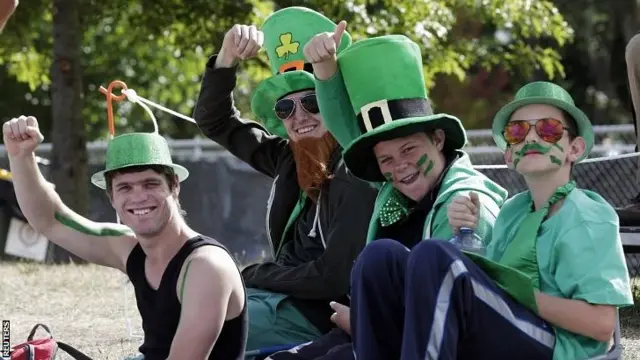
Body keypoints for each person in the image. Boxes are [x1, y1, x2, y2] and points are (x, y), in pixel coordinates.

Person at [350, 80, 635, 360]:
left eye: (549, 129)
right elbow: (492, 290)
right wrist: (467, 237)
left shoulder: (586, 214)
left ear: (575, 148)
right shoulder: (512, 211)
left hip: (559, 348)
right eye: (517, 131)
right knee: (380, 256)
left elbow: (601, 325)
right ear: (509, 154)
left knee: (434, 256)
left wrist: (524, 295)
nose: (532, 138)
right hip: (512, 331)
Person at [267, 32, 509, 360]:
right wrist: (323, 66)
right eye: (386, 160)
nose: (400, 167)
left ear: (438, 138)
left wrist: (365, 321)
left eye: (409, 148)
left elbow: (452, 315)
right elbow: (342, 123)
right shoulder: (390, 187)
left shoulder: (465, 201)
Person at [192, 6, 378, 351]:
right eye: (284, 108)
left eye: (311, 101)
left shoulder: (358, 167)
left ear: (334, 102)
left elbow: (334, 276)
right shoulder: (288, 158)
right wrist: (226, 58)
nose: (299, 117)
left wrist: (255, 274)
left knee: (206, 327)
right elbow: (214, 122)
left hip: (318, 315)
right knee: (188, 307)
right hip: (275, 298)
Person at [4, 115, 247, 360]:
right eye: (125, 188)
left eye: (151, 184)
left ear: (174, 186)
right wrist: (21, 156)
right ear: (111, 197)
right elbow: (51, 220)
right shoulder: (128, 247)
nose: (139, 197)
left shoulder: (206, 266)